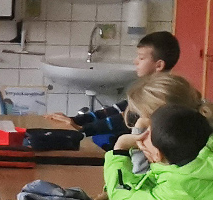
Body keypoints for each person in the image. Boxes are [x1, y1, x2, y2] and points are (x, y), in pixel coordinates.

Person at [45, 30, 180, 142]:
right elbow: (120, 109)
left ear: (159, 65)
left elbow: (125, 119)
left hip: (148, 147)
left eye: (141, 58)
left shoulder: (161, 92)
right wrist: (76, 119)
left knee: (99, 140)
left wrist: (83, 129)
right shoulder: (151, 87)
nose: (135, 61)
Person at [118, 73, 213, 174]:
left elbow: (141, 184)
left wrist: (135, 141)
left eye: (145, 116)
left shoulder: (183, 148)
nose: (143, 121)